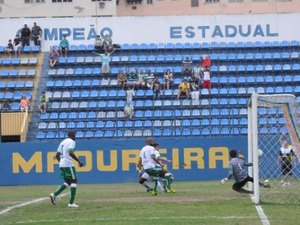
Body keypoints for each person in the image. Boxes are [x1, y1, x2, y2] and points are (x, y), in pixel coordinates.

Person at [49, 131, 83, 208]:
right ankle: (71, 203)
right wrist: (78, 161)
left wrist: (61, 162)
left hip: (62, 164)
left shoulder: (62, 142)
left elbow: (57, 155)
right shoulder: (72, 142)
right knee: (74, 181)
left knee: (67, 181)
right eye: (75, 135)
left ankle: (54, 195)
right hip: (68, 163)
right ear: (73, 135)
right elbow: (70, 152)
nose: (75, 137)